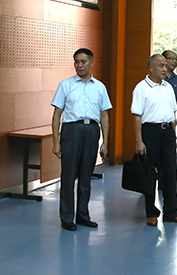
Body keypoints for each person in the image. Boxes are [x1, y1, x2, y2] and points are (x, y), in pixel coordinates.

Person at [51, 48, 112, 231]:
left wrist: (105, 142)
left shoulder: (100, 87)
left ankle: (83, 215)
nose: (79, 65)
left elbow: (105, 116)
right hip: (71, 130)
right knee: (68, 175)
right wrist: (56, 142)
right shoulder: (65, 85)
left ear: (91, 62)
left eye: (83, 61)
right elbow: (56, 115)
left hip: (92, 130)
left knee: (86, 175)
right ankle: (67, 217)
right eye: (76, 61)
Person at [132, 54, 177, 226]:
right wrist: (139, 140)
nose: (165, 69)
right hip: (150, 132)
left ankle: (172, 212)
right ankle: (151, 212)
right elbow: (136, 116)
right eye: (161, 66)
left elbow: (173, 113)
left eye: (166, 65)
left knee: (171, 172)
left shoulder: (168, 87)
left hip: (167, 133)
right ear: (151, 68)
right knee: (149, 174)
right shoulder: (141, 88)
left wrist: (174, 133)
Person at [162, 50, 177, 115]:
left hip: (171, 116)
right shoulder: (157, 77)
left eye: (176, 59)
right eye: (172, 59)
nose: (175, 61)